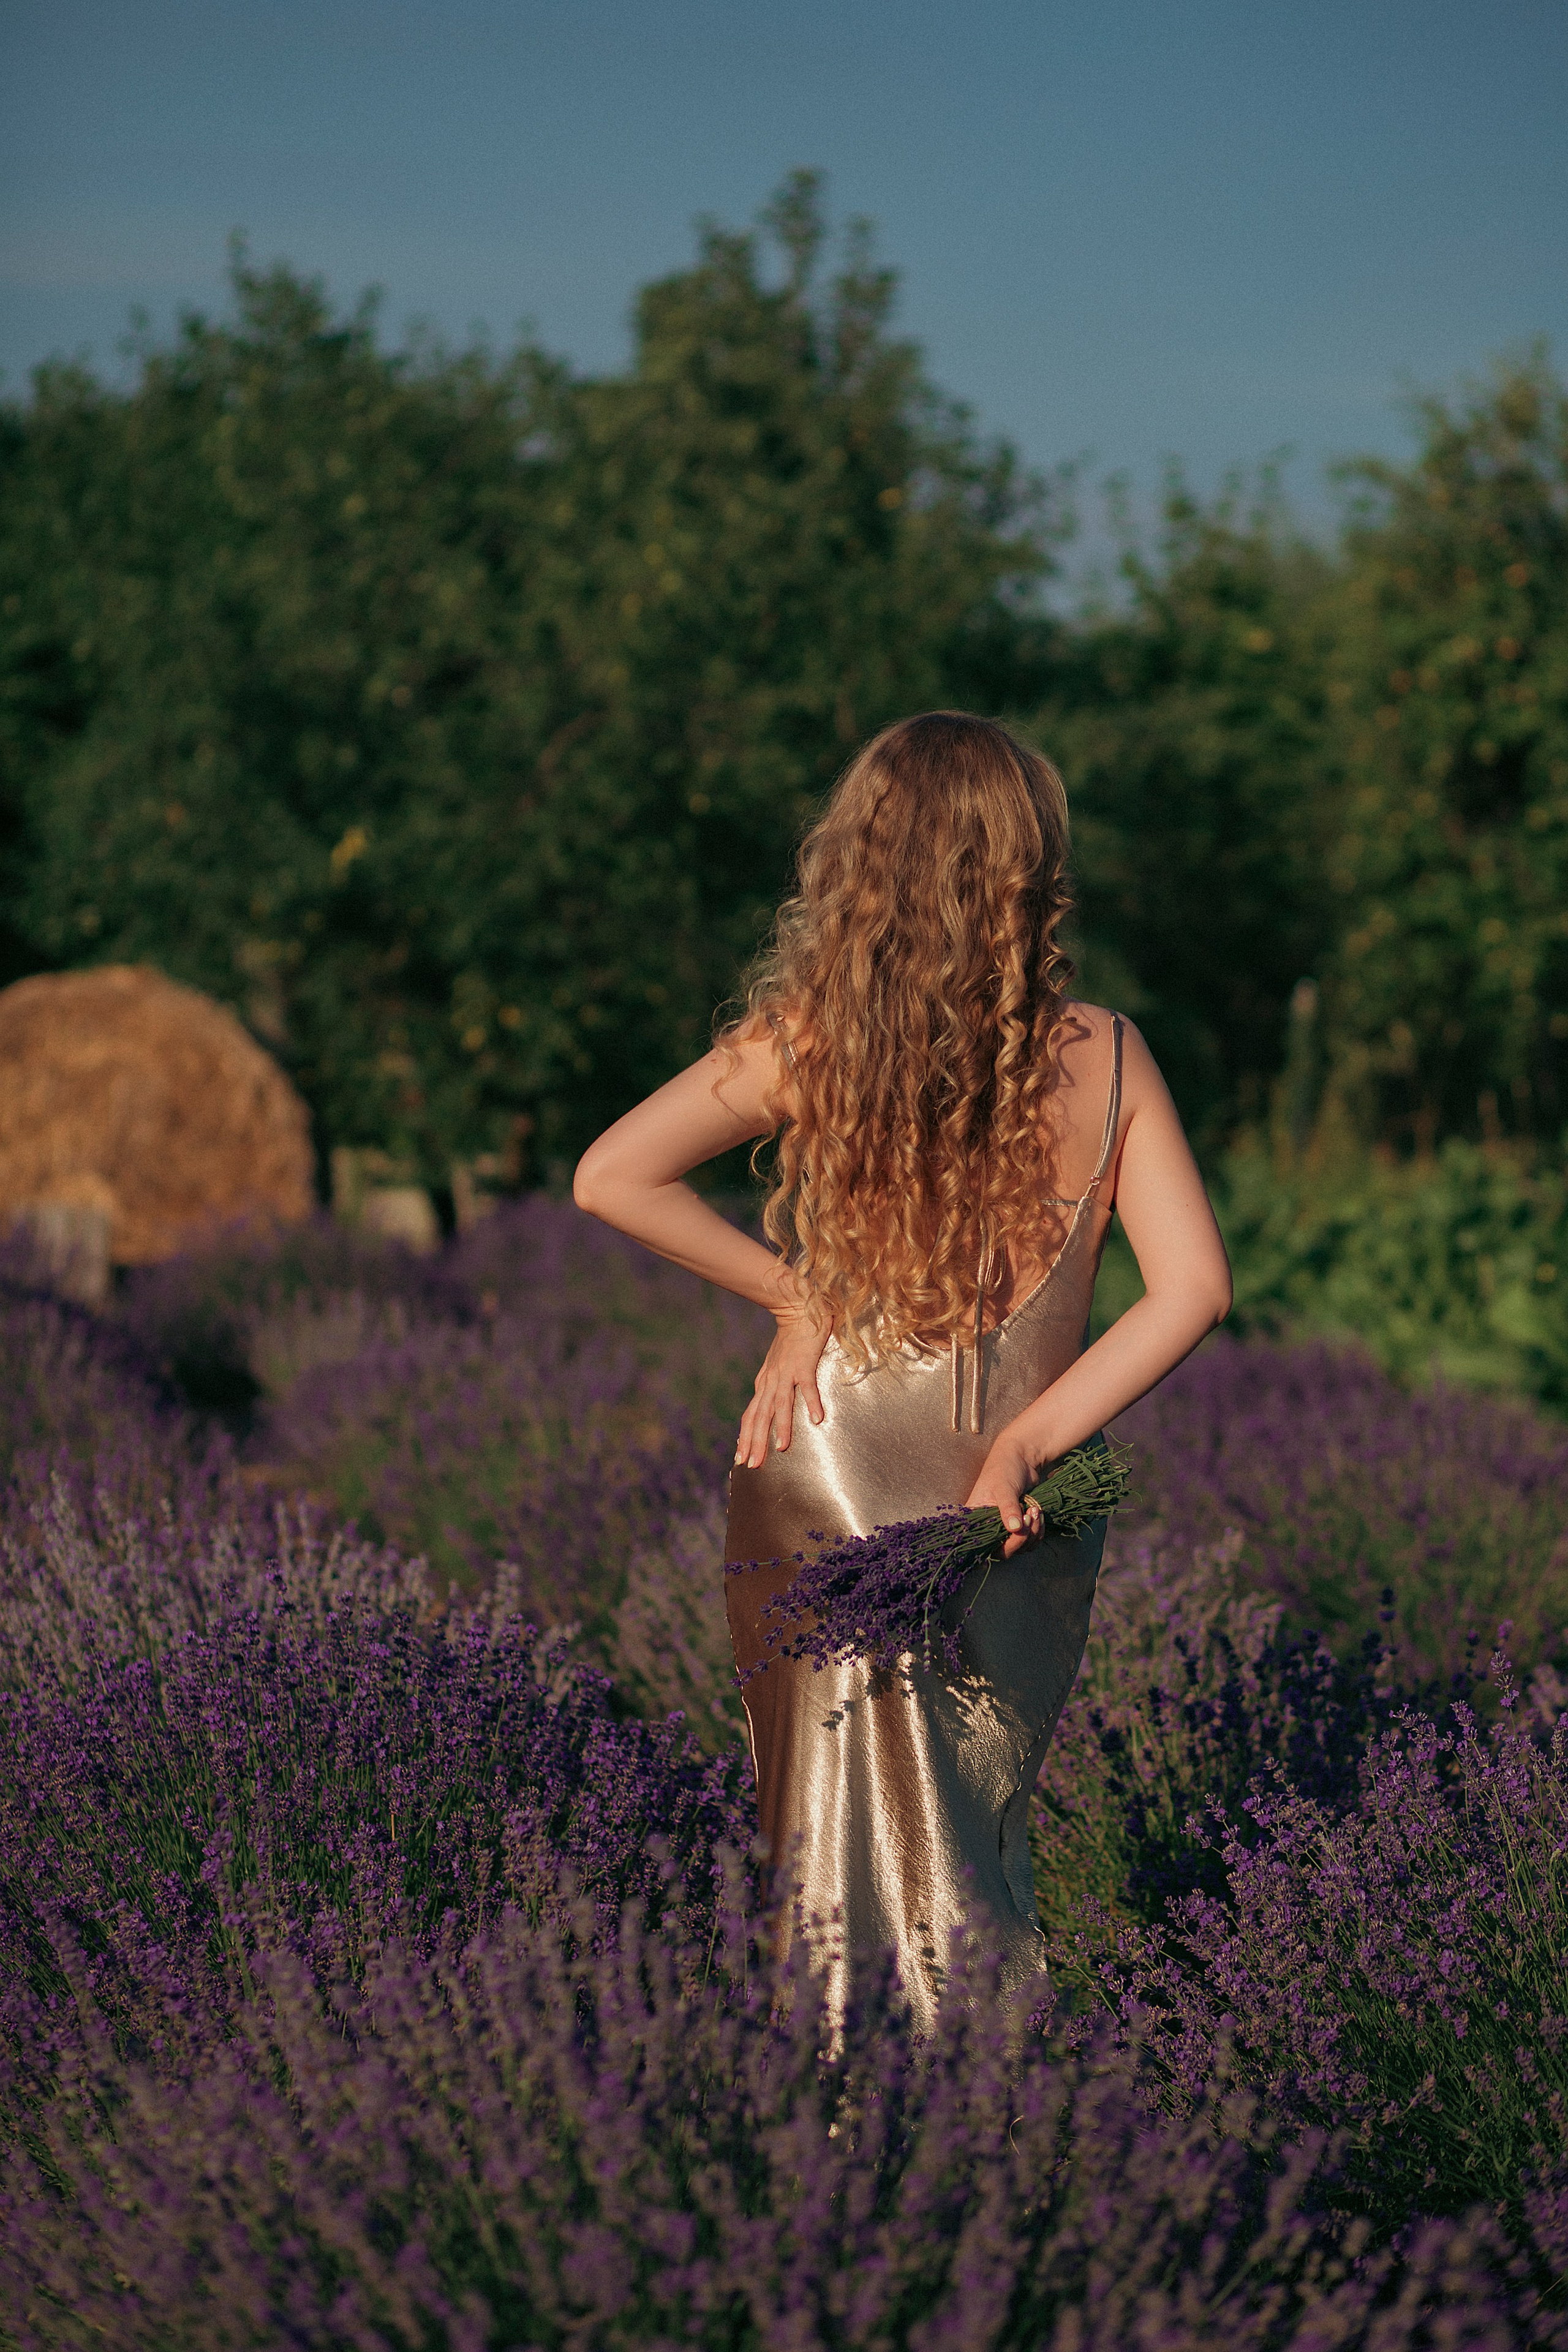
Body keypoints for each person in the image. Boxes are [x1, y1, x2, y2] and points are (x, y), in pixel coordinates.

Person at [574, 711, 1231, 2029]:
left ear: (860, 864)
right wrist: (1023, 1448)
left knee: (829, 1836)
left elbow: (608, 1178)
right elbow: (1194, 1291)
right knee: (963, 1828)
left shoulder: (810, 1036)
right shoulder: (1107, 1052)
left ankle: (843, 2139)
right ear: (1027, 867)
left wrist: (797, 1294)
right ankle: (974, 2118)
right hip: (1010, 1494)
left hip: (827, 1466)